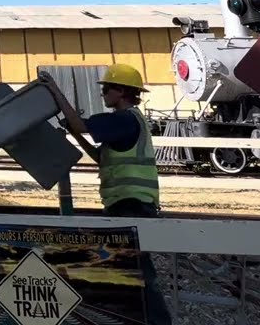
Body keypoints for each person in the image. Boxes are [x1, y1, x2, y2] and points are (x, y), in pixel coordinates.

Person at [43, 63, 173, 325]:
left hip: (130, 205)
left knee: (136, 272)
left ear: (123, 91)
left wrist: (55, 91)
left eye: (108, 89)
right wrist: (74, 133)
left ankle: (157, 321)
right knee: (128, 269)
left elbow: (80, 124)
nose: (104, 93)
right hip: (131, 205)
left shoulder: (123, 120)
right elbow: (99, 156)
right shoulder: (128, 122)